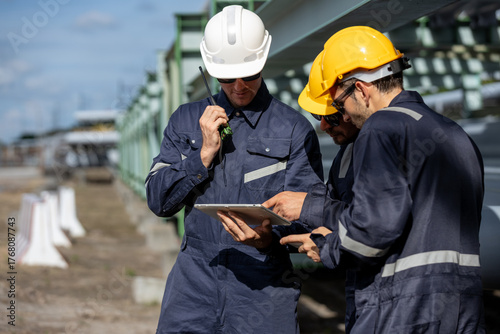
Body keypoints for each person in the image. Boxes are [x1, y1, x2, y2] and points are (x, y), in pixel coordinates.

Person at [274, 26, 485, 333]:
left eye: (340, 104)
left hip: (403, 309)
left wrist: (324, 245)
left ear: (361, 90)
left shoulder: (380, 127)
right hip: (463, 307)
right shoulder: (455, 134)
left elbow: (372, 230)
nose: (342, 115)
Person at [145, 5, 323, 333]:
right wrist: (202, 156)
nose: (239, 86)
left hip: (264, 287)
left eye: (249, 74)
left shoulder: (294, 129)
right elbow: (158, 201)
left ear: (263, 61)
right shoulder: (185, 120)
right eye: (227, 77)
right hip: (193, 286)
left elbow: (312, 211)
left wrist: (270, 237)